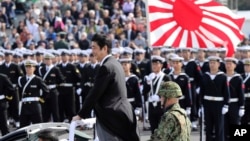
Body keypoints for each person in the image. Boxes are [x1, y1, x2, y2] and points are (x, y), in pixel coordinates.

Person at [72, 33, 140, 141]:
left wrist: (81, 114)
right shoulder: (115, 63)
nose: (92, 52)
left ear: (104, 48)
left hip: (111, 117)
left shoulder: (106, 67)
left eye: (94, 48)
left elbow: (95, 93)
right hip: (122, 114)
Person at [200, 56, 230, 141]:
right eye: (210, 63)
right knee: (208, 126)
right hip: (207, 103)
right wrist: (201, 105)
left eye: (214, 63)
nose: (212, 65)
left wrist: (226, 105)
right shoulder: (205, 76)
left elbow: (226, 92)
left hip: (218, 104)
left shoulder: (223, 76)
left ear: (219, 64)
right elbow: (202, 92)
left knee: (219, 127)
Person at [18, 60, 49, 128]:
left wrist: (41, 100)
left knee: (38, 127)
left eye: (30, 67)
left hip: (34, 106)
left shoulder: (37, 79)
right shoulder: (21, 79)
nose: (28, 69)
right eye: (26, 67)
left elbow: (46, 91)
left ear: (34, 68)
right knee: (23, 128)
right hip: (24, 106)